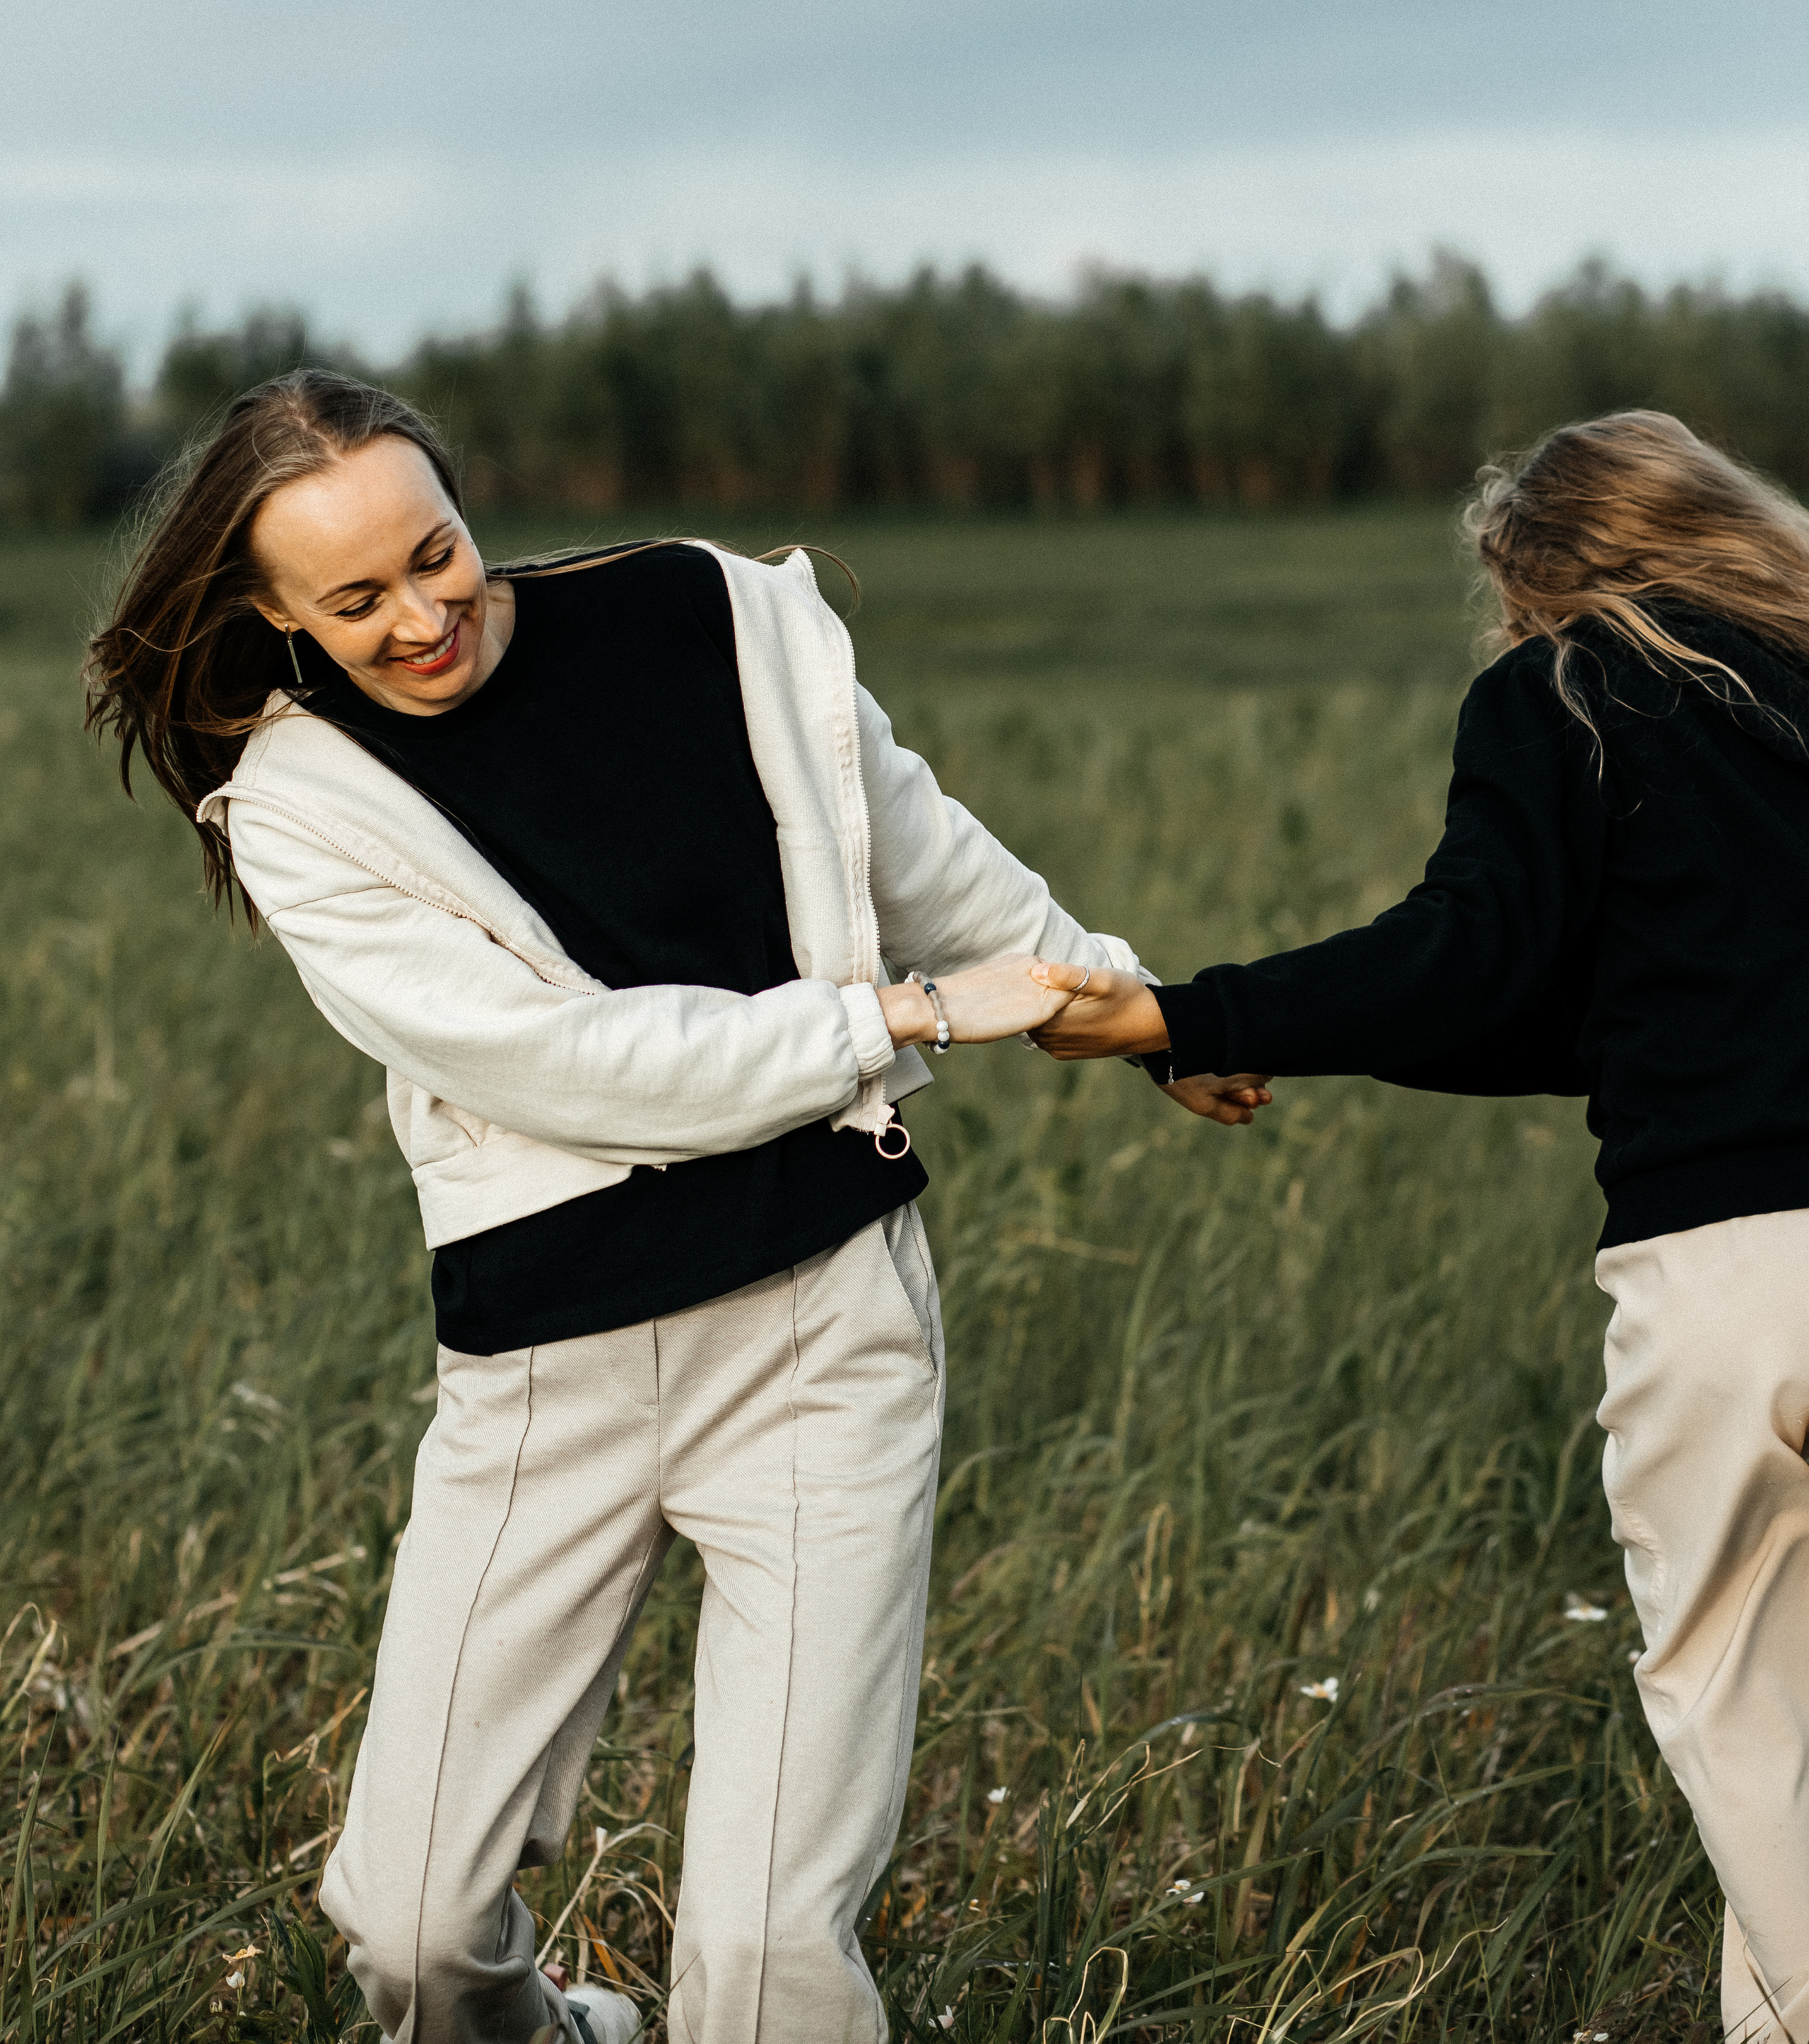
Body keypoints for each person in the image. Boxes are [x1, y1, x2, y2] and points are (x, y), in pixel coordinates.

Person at [85, 368, 1224, 2044]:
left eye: (437, 553)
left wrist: (1137, 1012)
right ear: (273, 616)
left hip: (822, 1328)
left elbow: (918, 854)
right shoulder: (302, 812)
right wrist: (889, 1019)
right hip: (551, 1375)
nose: (422, 615)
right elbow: (570, 1063)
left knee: (771, 1962)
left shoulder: (713, 616)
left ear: (469, 513)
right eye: (357, 599)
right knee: (408, 1930)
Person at [1032, 410, 1809, 2044]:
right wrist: (1255, 1029)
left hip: (1741, 1277)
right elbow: (1571, 1019)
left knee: (1745, 1711)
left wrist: (1182, 1013)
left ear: (1534, 581)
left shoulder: (1568, 692)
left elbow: (1464, 962)